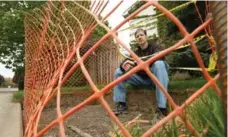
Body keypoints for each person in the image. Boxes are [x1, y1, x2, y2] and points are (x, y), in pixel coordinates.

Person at [113, 29, 169, 118]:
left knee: (159, 64)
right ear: (136, 39)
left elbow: (160, 57)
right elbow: (124, 63)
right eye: (137, 36)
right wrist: (124, 66)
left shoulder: (155, 47)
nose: (139, 37)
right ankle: (122, 104)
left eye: (141, 35)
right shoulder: (135, 52)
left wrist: (136, 63)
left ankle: (162, 108)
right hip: (141, 79)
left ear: (146, 37)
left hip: (155, 79)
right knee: (118, 72)